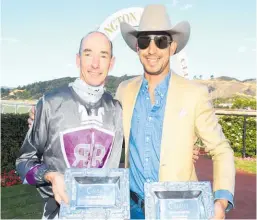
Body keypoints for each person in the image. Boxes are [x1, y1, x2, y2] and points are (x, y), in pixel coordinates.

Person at [115, 4, 235, 219]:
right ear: (137, 48)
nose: (152, 50)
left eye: (161, 41)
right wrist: (40, 121)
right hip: (131, 209)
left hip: (179, 210)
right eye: (145, 41)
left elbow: (221, 149)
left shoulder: (194, 94)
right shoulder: (124, 91)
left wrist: (221, 201)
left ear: (172, 47)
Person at [16, 31, 124, 219]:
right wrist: (51, 175)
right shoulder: (50, 103)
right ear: (78, 59)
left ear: (112, 62)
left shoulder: (117, 109)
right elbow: (23, 164)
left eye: (103, 55)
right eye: (88, 54)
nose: (95, 64)